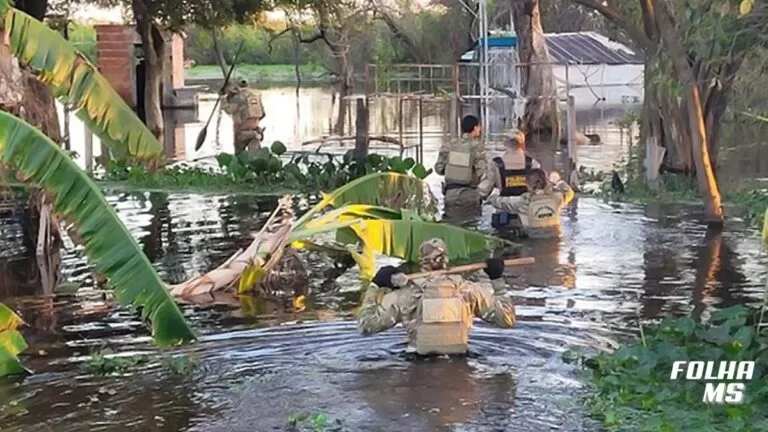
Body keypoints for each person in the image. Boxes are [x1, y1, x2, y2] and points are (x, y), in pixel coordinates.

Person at [357, 238, 517, 356]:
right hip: (460, 364)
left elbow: (366, 326)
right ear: (446, 259)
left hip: (416, 366)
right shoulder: (468, 290)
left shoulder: (405, 295)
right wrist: (497, 279)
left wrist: (375, 286)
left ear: (421, 261)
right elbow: (507, 320)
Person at [475, 129, 541, 231]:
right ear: (522, 144)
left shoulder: (496, 164)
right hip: (527, 217)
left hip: (505, 216)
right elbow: (541, 192)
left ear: (505, 144)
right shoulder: (533, 164)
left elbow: (483, 191)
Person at [486, 168, 575, 239]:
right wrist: (557, 181)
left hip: (531, 238)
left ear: (528, 185)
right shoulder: (557, 198)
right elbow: (570, 193)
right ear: (546, 182)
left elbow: (499, 202)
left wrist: (493, 195)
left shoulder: (522, 202)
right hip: (554, 238)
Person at [434, 115, 488, 219]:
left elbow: (439, 169)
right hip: (470, 195)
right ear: (475, 128)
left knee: (452, 228)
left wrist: (453, 170)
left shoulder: (449, 145)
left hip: (450, 195)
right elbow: (482, 172)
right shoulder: (476, 146)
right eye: (479, 127)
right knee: (471, 229)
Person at [220, 78, 265, 155]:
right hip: (256, 132)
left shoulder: (237, 98)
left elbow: (228, 110)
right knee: (255, 158)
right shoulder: (255, 96)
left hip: (241, 133)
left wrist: (222, 98)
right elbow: (263, 114)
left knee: (239, 157)